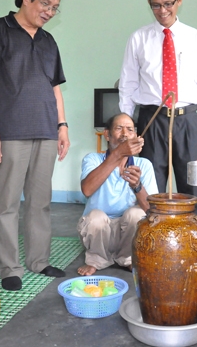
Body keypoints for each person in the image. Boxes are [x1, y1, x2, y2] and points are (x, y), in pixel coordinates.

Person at [0, 0, 70, 291]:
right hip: (10, 130)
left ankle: (38, 261)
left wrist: (62, 125)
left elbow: (55, 89)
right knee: (8, 202)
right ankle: (9, 267)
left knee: (40, 201)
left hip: (46, 129)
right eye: (45, 4)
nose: (49, 12)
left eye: (55, 8)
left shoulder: (48, 41)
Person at [118, 0, 197, 266]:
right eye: (155, 6)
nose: (162, 11)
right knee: (151, 184)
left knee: (194, 184)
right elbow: (127, 84)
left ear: (179, 0)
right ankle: (153, 245)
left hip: (187, 120)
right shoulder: (139, 38)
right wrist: (127, 126)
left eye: (168, 4)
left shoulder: (194, 37)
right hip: (151, 120)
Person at [77, 113, 158, 276]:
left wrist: (137, 186)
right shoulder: (93, 159)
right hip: (99, 231)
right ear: (107, 134)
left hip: (128, 231)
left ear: (135, 136)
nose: (125, 134)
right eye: (119, 128)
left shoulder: (144, 164)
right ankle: (96, 259)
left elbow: (151, 210)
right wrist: (117, 154)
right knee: (95, 217)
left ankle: (128, 258)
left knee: (136, 214)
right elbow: (87, 190)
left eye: (130, 130)